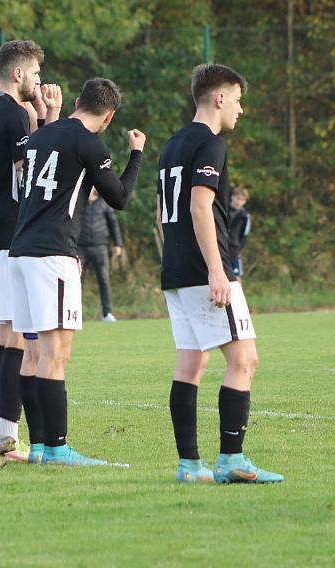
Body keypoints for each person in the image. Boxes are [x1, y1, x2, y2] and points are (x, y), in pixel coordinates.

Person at [9, 78, 146, 465]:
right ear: (109, 116)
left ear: (76, 101)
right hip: (52, 254)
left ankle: (37, 446)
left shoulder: (41, 136)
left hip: (21, 252)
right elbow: (119, 197)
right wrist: (136, 154)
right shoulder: (89, 141)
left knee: (32, 352)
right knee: (56, 352)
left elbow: (69, 190)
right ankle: (57, 447)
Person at [157, 64, 282, 483]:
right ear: (220, 98)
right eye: (239, 100)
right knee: (245, 359)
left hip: (176, 270)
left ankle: (190, 465)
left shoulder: (172, 146)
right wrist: (217, 270)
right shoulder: (209, 145)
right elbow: (198, 207)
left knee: (191, 364)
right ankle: (231, 458)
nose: (241, 110)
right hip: (203, 270)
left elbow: (163, 215)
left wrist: (175, 260)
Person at [0, 39, 61, 445]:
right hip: (7, 233)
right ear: (18, 73)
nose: (39, 82)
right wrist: (48, 118)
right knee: (11, 337)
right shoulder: (13, 114)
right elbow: (34, 171)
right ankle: (5, 430)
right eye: (36, 74)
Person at [77, 187, 124, 322]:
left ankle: (107, 313)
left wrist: (118, 244)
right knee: (77, 281)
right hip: (81, 248)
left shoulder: (104, 203)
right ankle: (76, 314)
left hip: (101, 247)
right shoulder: (79, 202)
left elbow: (113, 224)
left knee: (104, 280)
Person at [228, 186, 251, 279]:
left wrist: (238, 248)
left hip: (234, 250)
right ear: (232, 197)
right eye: (237, 199)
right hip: (219, 247)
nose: (239, 202)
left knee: (236, 276)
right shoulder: (222, 210)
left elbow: (244, 234)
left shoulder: (245, 216)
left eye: (242, 200)